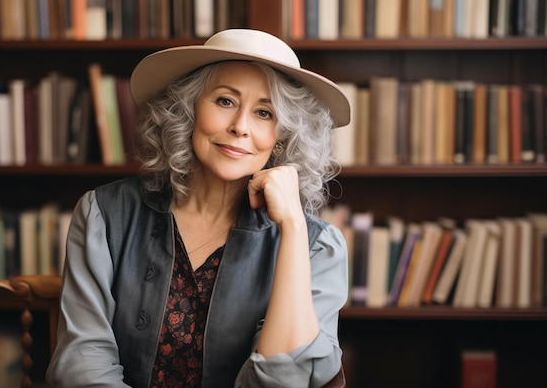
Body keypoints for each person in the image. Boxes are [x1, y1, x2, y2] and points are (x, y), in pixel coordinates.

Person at [46, 28, 350, 388]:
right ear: (187, 110)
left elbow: (286, 378)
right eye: (225, 101)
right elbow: (83, 362)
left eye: (264, 113)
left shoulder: (317, 246)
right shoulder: (104, 213)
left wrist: (294, 229)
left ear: (282, 138)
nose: (240, 127)